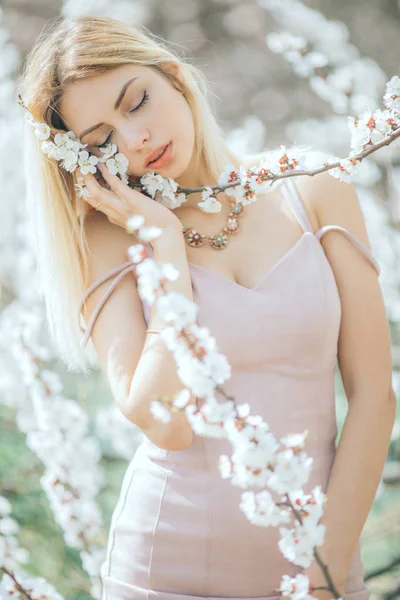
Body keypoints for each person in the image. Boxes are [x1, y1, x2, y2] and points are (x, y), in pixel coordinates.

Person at [19, 14, 395, 600]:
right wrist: (165, 248)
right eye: (102, 142)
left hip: (320, 564)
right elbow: (164, 422)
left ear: (173, 75)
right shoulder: (112, 239)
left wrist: (324, 575)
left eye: (137, 101)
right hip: (164, 573)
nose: (134, 139)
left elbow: (374, 394)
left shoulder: (313, 189)